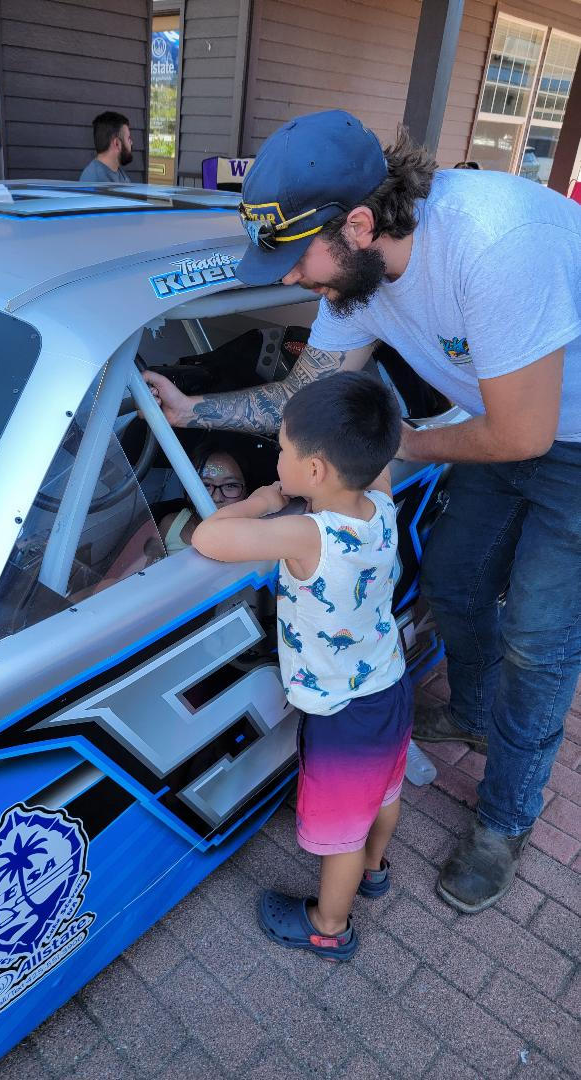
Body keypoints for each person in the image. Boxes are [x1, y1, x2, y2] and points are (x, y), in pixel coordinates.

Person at [144, 109, 581, 915]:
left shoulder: (492, 244)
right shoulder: (354, 274)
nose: (283, 280)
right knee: (453, 579)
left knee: (538, 640)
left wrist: (408, 445)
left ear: (356, 222)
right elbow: (302, 395)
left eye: (292, 257)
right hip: (496, 424)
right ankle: (477, 715)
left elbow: (524, 433)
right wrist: (192, 407)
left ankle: (506, 819)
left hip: (561, 437)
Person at [192, 372, 408, 961]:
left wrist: (261, 502)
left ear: (313, 470)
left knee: (341, 828)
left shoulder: (306, 533)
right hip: (389, 685)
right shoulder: (381, 504)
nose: (276, 458)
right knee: (384, 789)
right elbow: (378, 463)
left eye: (282, 450)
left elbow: (208, 537)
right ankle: (375, 870)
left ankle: (329, 926)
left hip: (342, 712)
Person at [159, 447, 248, 554]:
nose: (217, 498)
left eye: (230, 485)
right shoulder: (171, 526)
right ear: (188, 491)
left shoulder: (258, 531)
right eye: (206, 485)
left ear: (246, 493)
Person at [79, 112, 133, 183]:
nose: (131, 142)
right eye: (128, 138)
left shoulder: (118, 173)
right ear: (117, 143)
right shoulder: (93, 181)